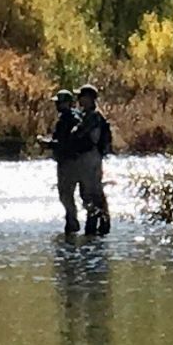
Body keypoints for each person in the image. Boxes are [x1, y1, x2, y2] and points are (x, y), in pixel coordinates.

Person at [39, 89, 89, 233]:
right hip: (79, 162)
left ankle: (72, 223)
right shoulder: (77, 116)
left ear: (67, 103)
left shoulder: (67, 119)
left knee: (65, 195)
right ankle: (75, 222)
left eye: (59, 102)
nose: (57, 105)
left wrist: (48, 144)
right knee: (76, 195)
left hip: (68, 163)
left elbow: (66, 143)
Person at [75, 84, 112, 234]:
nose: (79, 99)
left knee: (91, 191)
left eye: (81, 96)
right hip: (90, 156)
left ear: (89, 98)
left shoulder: (93, 117)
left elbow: (80, 134)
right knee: (90, 191)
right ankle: (98, 223)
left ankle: (99, 223)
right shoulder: (89, 115)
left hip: (91, 156)